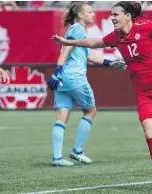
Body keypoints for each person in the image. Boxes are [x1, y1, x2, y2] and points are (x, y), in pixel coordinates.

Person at [52, 1, 152, 192]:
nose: (111, 18)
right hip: (145, 94)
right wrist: (68, 42)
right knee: (149, 133)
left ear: (128, 16)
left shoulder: (146, 27)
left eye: (115, 15)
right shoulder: (116, 36)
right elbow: (93, 42)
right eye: (111, 15)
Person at [48, 2, 126, 167]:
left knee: (62, 116)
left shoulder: (76, 30)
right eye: (89, 12)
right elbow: (66, 49)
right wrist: (57, 69)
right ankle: (77, 151)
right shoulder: (78, 29)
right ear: (81, 15)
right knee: (91, 111)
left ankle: (57, 158)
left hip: (62, 79)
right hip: (75, 78)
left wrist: (109, 62)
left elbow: (88, 56)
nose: (93, 14)